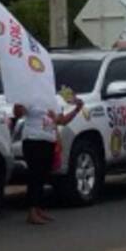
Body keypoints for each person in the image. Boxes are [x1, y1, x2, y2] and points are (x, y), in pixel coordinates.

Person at [14, 91, 85, 225]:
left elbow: (61, 121)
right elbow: (18, 113)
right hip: (33, 140)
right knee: (34, 175)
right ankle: (32, 211)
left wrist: (76, 110)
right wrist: (19, 104)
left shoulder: (53, 101)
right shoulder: (30, 97)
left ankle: (38, 208)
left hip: (48, 141)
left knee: (43, 175)